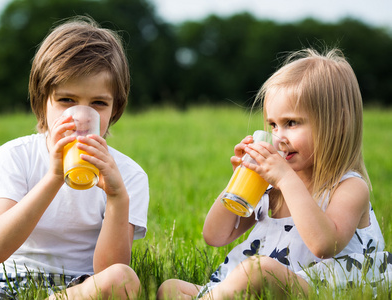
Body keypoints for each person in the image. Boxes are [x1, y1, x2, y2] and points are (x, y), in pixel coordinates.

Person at [157, 48, 392, 299]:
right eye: (272, 125)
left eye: (291, 123)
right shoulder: (271, 188)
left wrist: (285, 178)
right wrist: (237, 181)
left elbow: (325, 245)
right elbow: (215, 235)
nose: (278, 137)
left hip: (322, 289)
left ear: (338, 124)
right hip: (264, 286)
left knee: (259, 270)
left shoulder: (349, 187)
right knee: (170, 288)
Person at [0, 16, 149, 299]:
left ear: (115, 109)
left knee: (124, 280)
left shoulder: (128, 174)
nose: (79, 115)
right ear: (42, 100)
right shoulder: (16, 155)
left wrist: (116, 197)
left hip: (76, 289)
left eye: (98, 103)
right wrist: (53, 178)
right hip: (5, 283)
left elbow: (109, 271)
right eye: (67, 100)